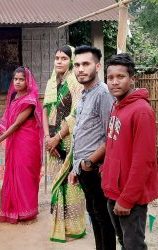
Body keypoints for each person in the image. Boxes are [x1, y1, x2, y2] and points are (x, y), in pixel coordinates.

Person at [102, 53, 158, 250]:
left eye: (121, 77)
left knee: (134, 246)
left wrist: (127, 199)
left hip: (130, 197)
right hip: (114, 191)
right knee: (124, 242)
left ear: (132, 79)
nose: (114, 82)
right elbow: (113, 149)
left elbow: (145, 161)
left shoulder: (141, 111)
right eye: (110, 78)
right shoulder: (117, 106)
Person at [68, 45, 116, 250]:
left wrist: (89, 163)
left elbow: (111, 136)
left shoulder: (103, 94)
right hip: (84, 167)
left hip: (96, 168)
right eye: (77, 65)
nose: (80, 69)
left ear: (98, 66)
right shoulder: (85, 93)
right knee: (95, 215)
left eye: (86, 64)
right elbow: (81, 131)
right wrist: (76, 166)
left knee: (103, 219)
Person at [0, 66, 43, 224]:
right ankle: (14, 211)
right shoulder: (13, 97)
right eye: (15, 79)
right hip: (14, 141)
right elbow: (7, 117)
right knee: (13, 174)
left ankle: (28, 213)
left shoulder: (30, 100)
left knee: (25, 176)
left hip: (27, 143)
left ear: (27, 81)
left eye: (21, 79)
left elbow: (17, 124)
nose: (17, 82)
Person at [43, 45, 86, 242]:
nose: (59, 61)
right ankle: (58, 226)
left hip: (68, 140)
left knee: (70, 184)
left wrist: (57, 138)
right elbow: (44, 110)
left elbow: (75, 115)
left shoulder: (75, 83)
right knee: (56, 182)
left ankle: (74, 227)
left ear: (71, 61)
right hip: (50, 139)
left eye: (64, 58)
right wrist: (46, 137)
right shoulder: (51, 83)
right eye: (57, 57)